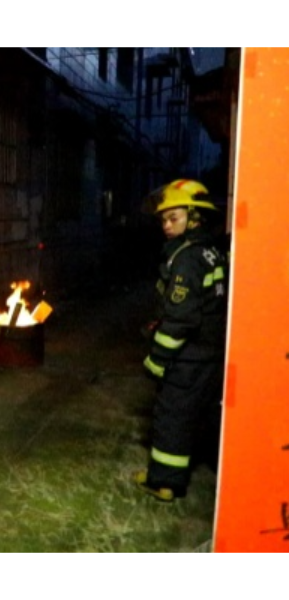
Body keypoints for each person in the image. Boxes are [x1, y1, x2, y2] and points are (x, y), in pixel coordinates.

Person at [134, 179, 229, 503]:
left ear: (195, 218)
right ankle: (167, 476)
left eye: (174, 217)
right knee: (193, 416)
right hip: (209, 355)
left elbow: (181, 318)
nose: (166, 225)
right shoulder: (212, 251)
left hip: (188, 358)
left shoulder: (186, 258)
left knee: (171, 417)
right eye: (163, 219)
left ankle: (165, 484)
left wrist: (157, 359)